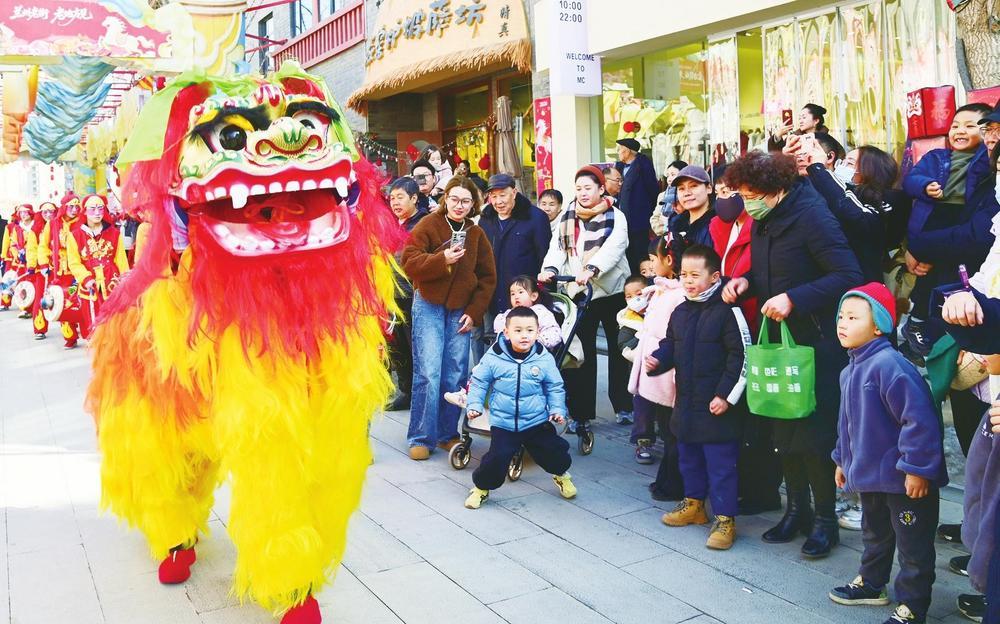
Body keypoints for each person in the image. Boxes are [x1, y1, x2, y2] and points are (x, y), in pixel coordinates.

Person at [722, 150, 863, 559]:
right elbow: (771, 270)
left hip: (814, 342)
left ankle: (823, 521)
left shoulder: (812, 215)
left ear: (775, 190)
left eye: (750, 194)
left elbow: (847, 275)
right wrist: (745, 281)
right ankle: (795, 511)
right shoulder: (766, 218)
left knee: (813, 435)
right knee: (783, 430)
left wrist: (794, 299)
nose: (745, 201)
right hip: (778, 343)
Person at [829, 282, 948, 624]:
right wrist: (841, 459)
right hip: (872, 478)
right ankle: (872, 583)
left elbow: (920, 419)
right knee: (875, 532)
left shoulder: (890, 365)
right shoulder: (850, 370)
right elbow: (847, 423)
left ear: (878, 325)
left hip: (905, 481)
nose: (842, 322)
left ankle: (913, 605)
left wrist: (918, 469)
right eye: (841, 315)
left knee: (913, 544)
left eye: (853, 317)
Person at [647, 245, 751, 551]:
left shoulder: (728, 311)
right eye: (683, 275)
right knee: (688, 458)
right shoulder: (680, 310)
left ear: (715, 276)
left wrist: (727, 396)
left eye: (695, 275)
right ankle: (694, 505)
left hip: (717, 406)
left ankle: (725, 520)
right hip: (687, 402)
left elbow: (742, 357)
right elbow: (671, 345)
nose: (688, 281)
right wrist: (658, 360)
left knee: (721, 466)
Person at [401, 176, 497, 460]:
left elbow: (488, 279)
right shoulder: (428, 224)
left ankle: (447, 434)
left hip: (461, 310)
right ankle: (421, 436)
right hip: (428, 305)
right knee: (428, 372)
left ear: (473, 204)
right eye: (454, 199)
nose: (459, 205)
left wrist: (474, 312)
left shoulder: (476, 233)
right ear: (445, 199)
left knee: (455, 373)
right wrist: (442, 259)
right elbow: (409, 262)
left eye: (466, 201)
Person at [540, 165, 632, 434]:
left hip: (612, 290)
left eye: (588, 188)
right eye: (578, 188)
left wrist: (592, 268)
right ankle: (581, 413)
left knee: (619, 349)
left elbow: (615, 248)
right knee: (580, 352)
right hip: (579, 292)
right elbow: (557, 249)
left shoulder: (617, 216)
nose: (582, 193)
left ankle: (624, 405)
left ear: (601, 189)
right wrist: (551, 270)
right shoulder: (568, 216)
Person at [901, 103, 993, 362]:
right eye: (955, 125)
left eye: (969, 125)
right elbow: (910, 179)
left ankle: (937, 335)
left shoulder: (984, 162)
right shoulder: (937, 157)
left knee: (947, 280)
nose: (959, 131)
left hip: (960, 225)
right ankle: (917, 322)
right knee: (925, 281)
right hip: (934, 221)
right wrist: (924, 186)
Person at [463, 306, 576, 509]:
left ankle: (561, 475)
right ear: (506, 332)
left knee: (553, 452)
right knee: (496, 458)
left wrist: (558, 410)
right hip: (504, 422)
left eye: (530, 330)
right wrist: (474, 405)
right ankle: (481, 489)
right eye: (518, 330)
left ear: (537, 332)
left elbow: (555, 386)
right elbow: (479, 382)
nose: (524, 336)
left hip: (535, 420)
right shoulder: (494, 356)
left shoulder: (543, 358)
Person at [794, 138, 895, 283]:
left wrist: (818, 168)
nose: (840, 167)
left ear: (870, 172)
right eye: (843, 162)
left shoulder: (882, 203)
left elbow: (853, 214)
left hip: (859, 288)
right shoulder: (831, 192)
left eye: (849, 163)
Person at [631, 235, 686, 483]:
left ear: (670, 260)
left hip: (666, 365)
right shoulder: (662, 289)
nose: (652, 265)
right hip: (657, 362)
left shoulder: (677, 295)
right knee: (664, 423)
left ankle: (674, 477)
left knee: (670, 425)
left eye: (655, 259)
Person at [478, 173, 552, 316]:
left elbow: (545, 256)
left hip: (524, 297)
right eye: (493, 196)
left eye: (503, 195)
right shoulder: (485, 219)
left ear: (514, 193)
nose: (498, 201)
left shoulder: (535, 218)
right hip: (492, 295)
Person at [385, 177, 429, 411]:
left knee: (417, 347)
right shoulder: (391, 224)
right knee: (397, 346)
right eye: (392, 198)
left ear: (414, 198)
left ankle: (421, 394)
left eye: (400, 197)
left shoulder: (424, 224)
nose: (395, 203)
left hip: (415, 295)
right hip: (392, 293)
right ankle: (405, 390)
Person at [65, 194, 130, 339]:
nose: (97, 212)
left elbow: (120, 259)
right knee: (94, 325)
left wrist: (125, 279)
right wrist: (86, 278)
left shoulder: (114, 233)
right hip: (90, 286)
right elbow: (74, 263)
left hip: (111, 283)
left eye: (100, 208)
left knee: (114, 324)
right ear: (85, 211)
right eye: (92, 209)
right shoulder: (75, 235)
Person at [615, 137, 659, 273]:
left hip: (639, 218)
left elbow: (653, 189)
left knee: (640, 252)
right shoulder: (619, 167)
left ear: (627, 150)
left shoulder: (643, 164)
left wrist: (650, 212)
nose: (618, 152)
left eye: (619, 149)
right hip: (623, 219)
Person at [669, 165, 715, 262]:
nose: (687, 193)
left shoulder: (717, 223)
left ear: (709, 188)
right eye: (681, 188)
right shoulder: (676, 224)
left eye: (693, 186)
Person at [617, 274, 649, 365]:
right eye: (629, 296)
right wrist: (639, 336)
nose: (635, 299)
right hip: (638, 367)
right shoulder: (627, 321)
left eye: (639, 294)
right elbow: (624, 347)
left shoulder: (660, 311)